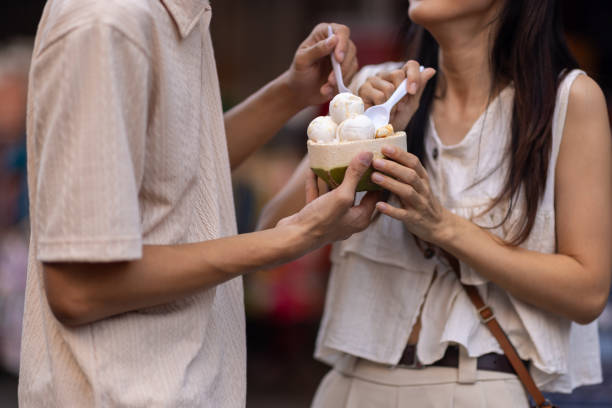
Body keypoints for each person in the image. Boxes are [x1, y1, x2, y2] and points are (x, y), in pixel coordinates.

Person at [20, 0, 377, 407]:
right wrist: (289, 239)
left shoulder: (169, 16)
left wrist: (290, 93)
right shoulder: (109, 22)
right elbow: (77, 288)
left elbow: (179, 171)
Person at [259, 0, 612, 406]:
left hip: (475, 388)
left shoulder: (568, 100)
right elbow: (271, 235)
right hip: (349, 385)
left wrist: (443, 227)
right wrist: (368, 143)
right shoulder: (376, 92)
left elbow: (587, 293)